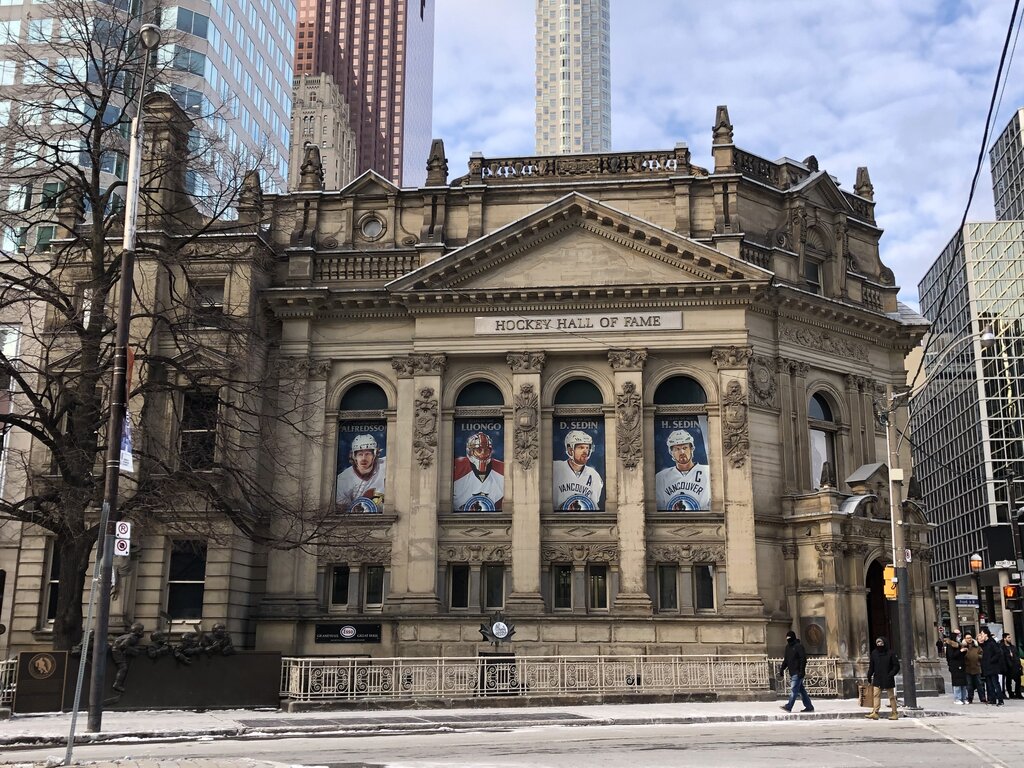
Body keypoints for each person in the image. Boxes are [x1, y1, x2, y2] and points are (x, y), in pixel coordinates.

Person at [655, 429, 710, 510]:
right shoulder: (661, 477)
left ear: (692, 449)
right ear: (671, 453)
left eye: (685, 447)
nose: (682, 452)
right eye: (677, 449)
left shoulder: (708, 471)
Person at [552, 429, 603, 510]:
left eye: (587, 447)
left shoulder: (594, 475)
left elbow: (594, 506)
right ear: (570, 450)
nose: (585, 451)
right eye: (581, 447)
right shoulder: (555, 468)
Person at [453, 432, 504, 511]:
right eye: (479, 450)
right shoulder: (457, 467)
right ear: (470, 451)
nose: (483, 454)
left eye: (486, 450)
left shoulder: (502, 469)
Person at [336, 433, 386, 513]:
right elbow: (343, 512)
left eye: (367, 454)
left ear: (375, 454)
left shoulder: (386, 465)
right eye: (360, 454)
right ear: (354, 456)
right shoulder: (343, 480)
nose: (363, 458)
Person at [865, 636, 901, 720]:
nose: (879, 644)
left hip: (888, 677)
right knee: (876, 695)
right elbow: (871, 666)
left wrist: (891, 674)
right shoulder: (874, 653)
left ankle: (895, 713)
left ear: (884, 643)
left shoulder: (890, 653)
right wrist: (869, 676)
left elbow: (896, 666)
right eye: (877, 642)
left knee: (891, 697)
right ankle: (875, 712)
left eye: (881, 642)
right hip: (878, 677)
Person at [779, 629, 814, 713]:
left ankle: (789, 706)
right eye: (787, 637)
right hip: (792, 672)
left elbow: (803, 659)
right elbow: (786, 660)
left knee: (794, 690)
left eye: (789, 637)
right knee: (802, 690)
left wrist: (801, 671)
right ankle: (809, 706)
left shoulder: (799, 646)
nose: (788, 639)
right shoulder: (787, 647)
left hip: (797, 672)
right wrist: (782, 668)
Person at [978, 627, 1006, 706]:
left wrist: (991, 660)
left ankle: (1000, 700)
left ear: (986, 634)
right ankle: (992, 699)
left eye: (982, 634)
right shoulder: (985, 643)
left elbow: (998, 653)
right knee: (989, 685)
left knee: (995, 683)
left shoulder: (992, 642)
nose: (981, 635)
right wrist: (980, 641)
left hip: (992, 667)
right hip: (986, 667)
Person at [944, 630, 967, 704]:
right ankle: (957, 698)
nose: (959, 636)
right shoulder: (950, 645)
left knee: (963, 683)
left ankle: (963, 698)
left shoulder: (959, 644)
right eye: (957, 634)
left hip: (961, 664)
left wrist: (964, 651)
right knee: (957, 683)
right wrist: (960, 651)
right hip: (955, 665)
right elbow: (951, 656)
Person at [963, 632, 986, 703]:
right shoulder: (963, 647)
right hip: (967, 668)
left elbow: (981, 654)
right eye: (967, 638)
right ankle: (970, 698)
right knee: (969, 685)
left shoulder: (977, 646)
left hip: (976, 667)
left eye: (970, 638)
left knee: (979, 684)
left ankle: (982, 698)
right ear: (965, 639)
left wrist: (977, 657)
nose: (969, 639)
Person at [1002, 633, 1023, 700]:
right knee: (1008, 681)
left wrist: (1019, 665)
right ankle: (1011, 694)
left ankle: (1018, 693)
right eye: (1008, 637)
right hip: (1008, 667)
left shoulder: (1013, 647)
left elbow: (1017, 656)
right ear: (1004, 638)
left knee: (1018, 680)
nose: (1010, 639)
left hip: (1016, 666)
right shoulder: (1002, 648)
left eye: (1010, 637)